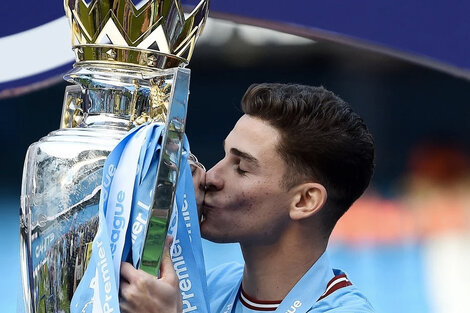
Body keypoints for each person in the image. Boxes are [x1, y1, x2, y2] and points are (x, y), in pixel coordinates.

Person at [119, 83, 376, 312]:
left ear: (304, 201)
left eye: (241, 168)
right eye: (225, 156)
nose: (212, 177)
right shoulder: (207, 286)